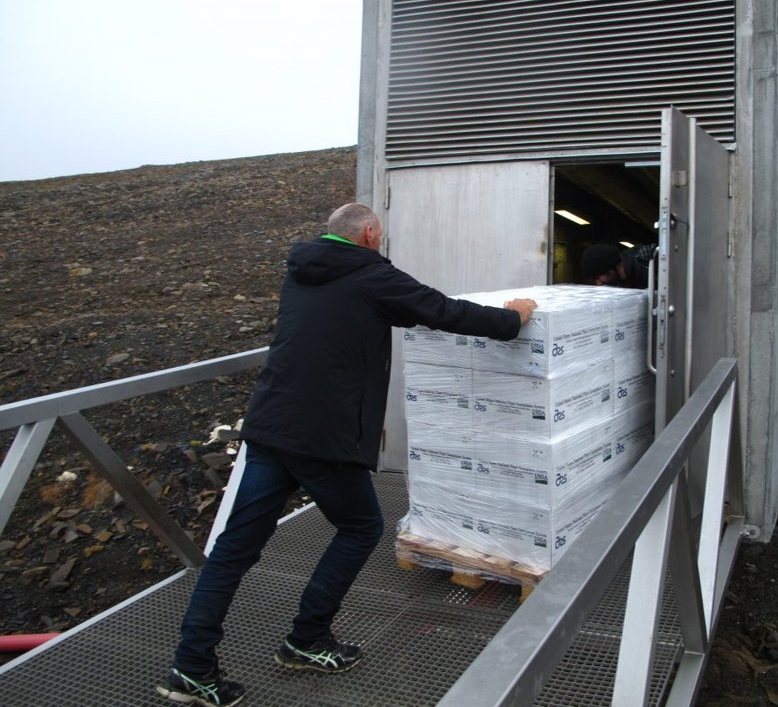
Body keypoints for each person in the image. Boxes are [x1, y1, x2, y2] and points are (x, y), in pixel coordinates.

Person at [157, 203, 537, 707]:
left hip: (271, 427)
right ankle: (307, 640)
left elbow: (390, 311)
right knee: (360, 528)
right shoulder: (370, 273)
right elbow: (443, 310)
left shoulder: (302, 270)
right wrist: (513, 318)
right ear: (371, 234)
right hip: (324, 438)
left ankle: (191, 668)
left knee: (232, 551)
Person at [579, 243, 657, 288]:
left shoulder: (646, 265)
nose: (598, 283)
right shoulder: (622, 282)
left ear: (609, 269)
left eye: (597, 278)